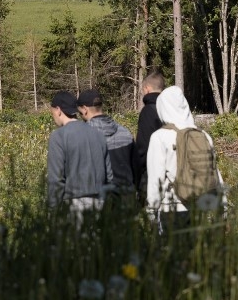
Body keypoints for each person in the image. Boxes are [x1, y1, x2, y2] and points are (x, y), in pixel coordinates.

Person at [146, 85, 224, 231]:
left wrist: (151, 212)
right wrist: (223, 208)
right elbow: (215, 174)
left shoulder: (159, 137)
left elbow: (155, 182)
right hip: (200, 209)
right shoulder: (203, 135)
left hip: (171, 211)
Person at [46, 91, 112, 224]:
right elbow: (109, 176)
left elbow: (56, 179)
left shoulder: (59, 137)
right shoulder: (98, 134)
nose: (53, 115)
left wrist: (52, 211)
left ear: (58, 110)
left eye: (52, 111)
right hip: (100, 202)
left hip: (73, 206)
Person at [77, 88, 134, 194]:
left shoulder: (82, 137)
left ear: (85, 109)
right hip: (126, 198)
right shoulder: (125, 133)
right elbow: (135, 168)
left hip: (98, 199)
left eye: (79, 112)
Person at [133, 70, 165, 194]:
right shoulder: (170, 108)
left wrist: (138, 177)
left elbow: (143, 147)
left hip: (152, 175)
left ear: (147, 88)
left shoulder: (147, 112)